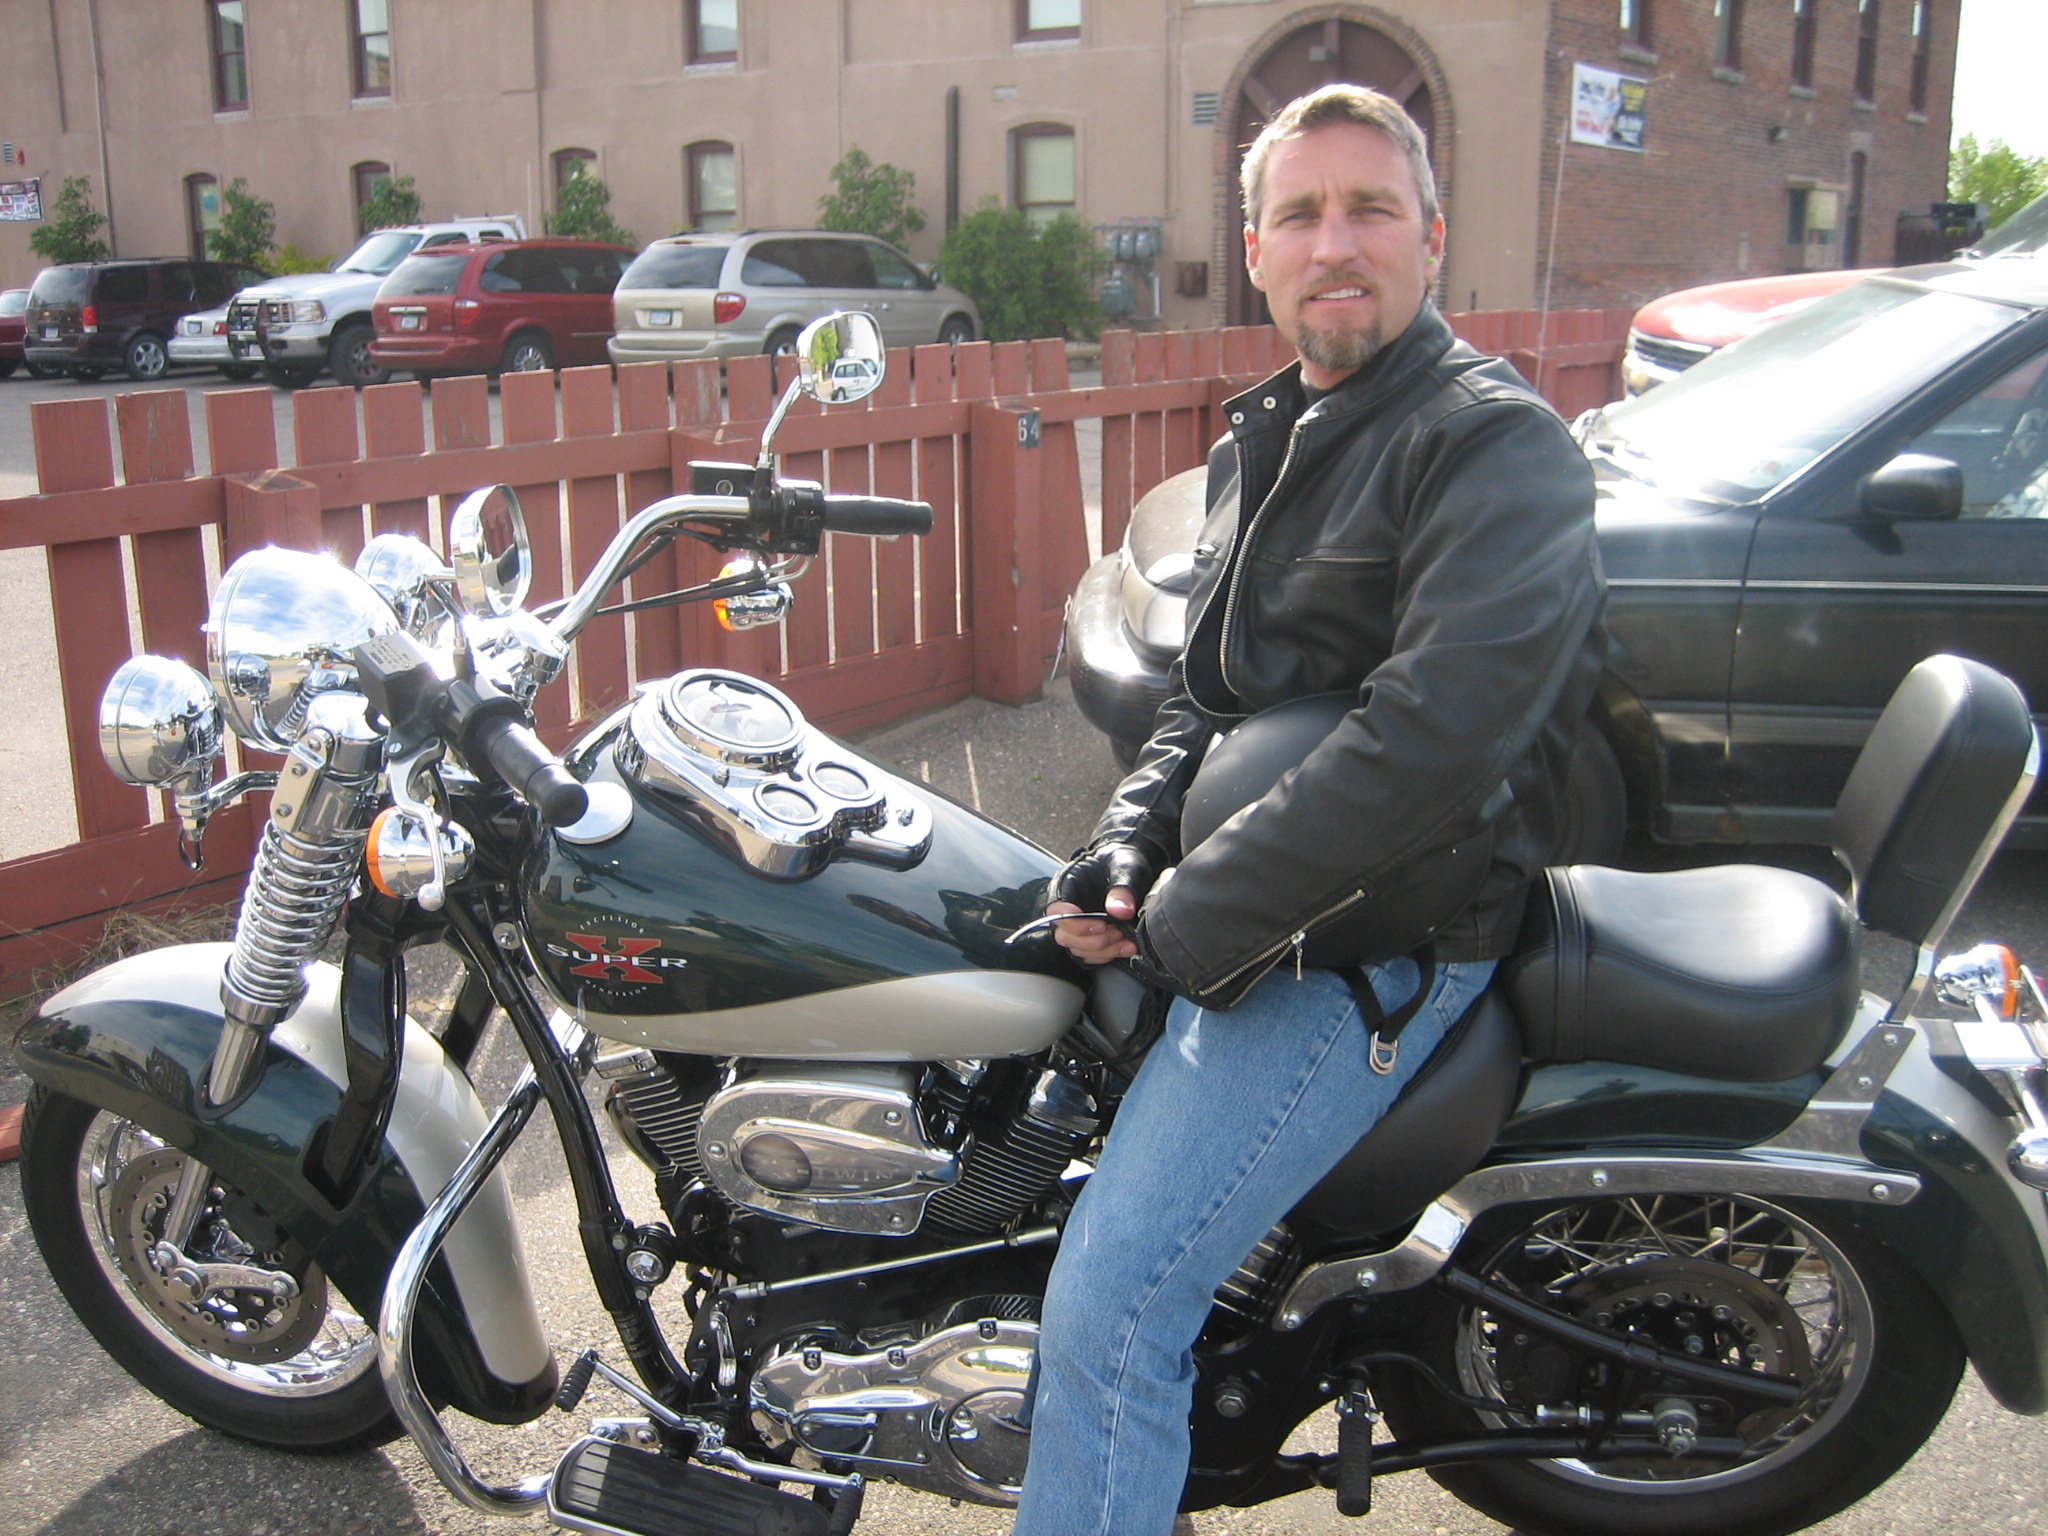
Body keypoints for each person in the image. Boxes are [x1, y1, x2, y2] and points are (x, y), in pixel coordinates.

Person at [1013, 84, 1607, 1536]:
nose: (1334, 243)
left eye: (1370, 210)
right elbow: (1205, 693)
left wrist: (1187, 921)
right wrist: (1126, 840)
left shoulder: (1492, 445)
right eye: (1300, 215)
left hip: (1375, 944)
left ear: (1431, 239)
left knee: (1110, 1314)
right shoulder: (1270, 436)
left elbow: (1432, 745)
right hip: (1263, 910)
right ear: (1257, 252)